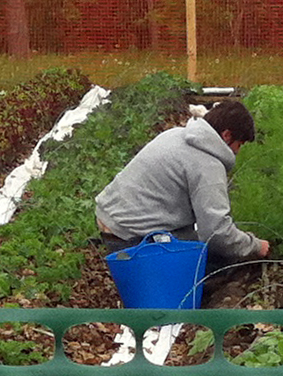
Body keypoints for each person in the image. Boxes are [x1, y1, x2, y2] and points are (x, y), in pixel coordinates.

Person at [93, 97, 270, 262]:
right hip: (130, 236)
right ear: (227, 135)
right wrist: (254, 246)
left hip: (109, 217)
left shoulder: (176, 134)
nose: (237, 152)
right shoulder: (208, 164)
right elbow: (217, 233)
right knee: (218, 260)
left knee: (193, 236)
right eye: (239, 144)